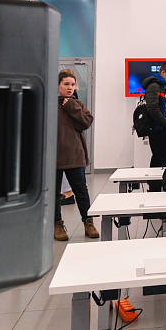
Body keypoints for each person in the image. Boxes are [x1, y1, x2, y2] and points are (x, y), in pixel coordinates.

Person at [54, 69, 98, 241]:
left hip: (74, 155)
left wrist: (71, 106)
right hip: (54, 156)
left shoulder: (76, 104)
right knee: (54, 193)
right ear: (58, 85)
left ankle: (88, 222)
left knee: (81, 191)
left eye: (72, 84)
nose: (70, 87)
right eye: (66, 84)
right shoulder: (50, 104)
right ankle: (57, 224)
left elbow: (86, 122)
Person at [143, 62, 166, 191]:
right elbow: (153, 108)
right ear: (163, 72)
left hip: (162, 127)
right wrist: (165, 123)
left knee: (162, 158)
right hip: (158, 129)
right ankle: (154, 187)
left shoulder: (160, 86)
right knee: (158, 158)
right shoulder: (154, 86)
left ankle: (158, 185)